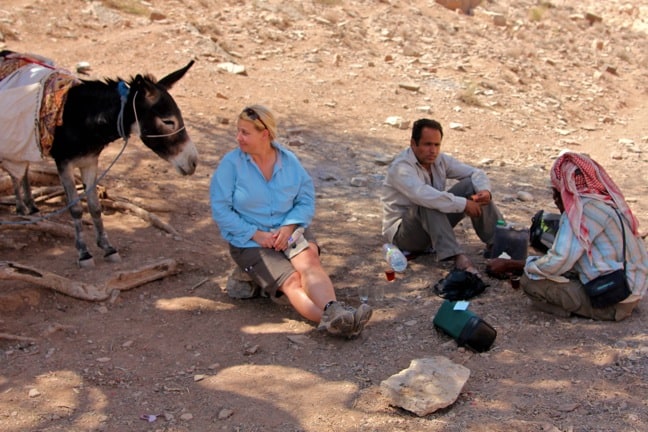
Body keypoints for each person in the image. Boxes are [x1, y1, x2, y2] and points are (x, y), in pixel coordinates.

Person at [210, 105, 372, 338]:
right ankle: (334, 319)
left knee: (309, 262)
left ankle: (334, 311)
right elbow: (221, 209)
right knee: (292, 280)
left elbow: (305, 200)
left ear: (264, 134)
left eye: (245, 132)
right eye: (238, 131)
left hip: (289, 230)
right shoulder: (231, 165)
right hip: (248, 240)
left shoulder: (288, 161)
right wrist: (256, 234)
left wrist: (289, 226)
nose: (238, 138)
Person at [487, 152, 648, 321]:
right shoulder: (605, 202)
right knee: (546, 269)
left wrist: (514, 266)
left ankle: (575, 312)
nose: (555, 197)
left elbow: (559, 260)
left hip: (613, 299)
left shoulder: (581, 211)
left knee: (530, 282)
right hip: (633, 289)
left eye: (556, 191)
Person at [381, 118, 502, 273]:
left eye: (436, 145)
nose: (433, 150)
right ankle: (456, 256)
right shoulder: (401, 167)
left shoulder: (440, 160)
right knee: (428, 201)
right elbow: (423, 195)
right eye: (427, 144)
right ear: (413, 143)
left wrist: (484, 191)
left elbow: (475, 173)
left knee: (471, 186)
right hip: (405, 235)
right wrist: (464, 204)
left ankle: (498, 244)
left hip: (433, 223)